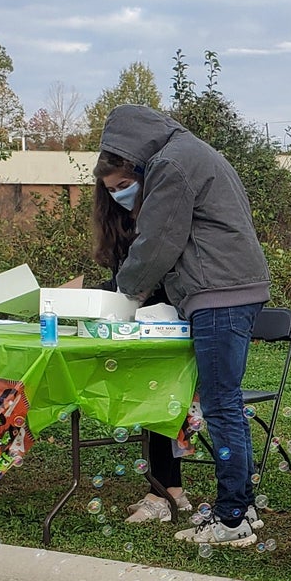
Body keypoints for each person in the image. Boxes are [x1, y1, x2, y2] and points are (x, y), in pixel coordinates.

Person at [94, 105, 272, 547]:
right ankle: (243, 508)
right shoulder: (194, 151)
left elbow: (158, 241)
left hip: (218, 294)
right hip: (237, 288)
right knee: (225, 402)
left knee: (221, 406)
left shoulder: (171, 164)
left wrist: (124, 294)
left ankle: (231, 520)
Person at [91, 170, 193, 525]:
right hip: (142, 326)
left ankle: (162, 493)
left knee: (161, 397)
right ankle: (170, 490)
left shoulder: (164, 214)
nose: (119, 195)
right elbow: (123, 282)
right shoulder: (120, 224)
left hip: (175, 322)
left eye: (124, 186)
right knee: (151, 397)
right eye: (111, 190)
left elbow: (154, 274)